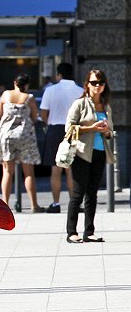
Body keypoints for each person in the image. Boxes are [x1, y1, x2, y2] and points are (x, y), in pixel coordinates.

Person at [64, 69, 114, 243]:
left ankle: (89, 231)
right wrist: (92, 128)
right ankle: (71, 232)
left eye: (100, 83)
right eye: (94, 83)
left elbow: (110, 133)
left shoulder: (106, 106)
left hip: (99, 153)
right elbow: (69, 128)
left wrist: (107, 131)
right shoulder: (80, 104)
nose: (97, 86)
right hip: (81, 153)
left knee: (92, 193)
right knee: (78, 193)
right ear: (87, 84)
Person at [0, 74, 45, 212]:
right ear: (27, 85)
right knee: (28, 172)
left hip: (6, 135)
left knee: (7, 172)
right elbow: (34, 117)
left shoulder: (5, 95)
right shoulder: (29, 98)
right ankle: (34, 205)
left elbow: (0, 114)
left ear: (14, 82)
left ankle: (5, 205)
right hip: (24, 135)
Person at [39, 62, 83, 213]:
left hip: (55, 129)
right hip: (73, 130)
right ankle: (75, 203)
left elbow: (43, 113)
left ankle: (56, 203)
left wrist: (47, 123)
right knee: (72, 169)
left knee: (56, 169)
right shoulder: (80, 91)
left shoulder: (50, 90)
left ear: (59, 75)